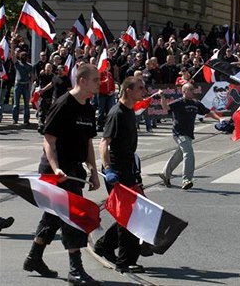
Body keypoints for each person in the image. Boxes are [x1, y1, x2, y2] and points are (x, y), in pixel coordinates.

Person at [23, 64, 101, 286]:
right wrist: (56, 168)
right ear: (82, 80)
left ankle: (34, 258)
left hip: (74, 170)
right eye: (95, 79)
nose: (99, 83)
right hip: (55, 171)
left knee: (54, 215)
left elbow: (88, 142)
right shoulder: (64, 104)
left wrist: (94, 172)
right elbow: (49, 139)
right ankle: (75, 270)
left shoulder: (88, 107)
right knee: (74, 216)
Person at [94, 76, 146, 273]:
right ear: (128, 91)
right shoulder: (117, 113)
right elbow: (103, 143)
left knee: (132, 214)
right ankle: (125, 262)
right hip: (116, 172)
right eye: (140, 88)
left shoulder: (130, 110)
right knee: (129, 217)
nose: (143, 91)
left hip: (128, 170)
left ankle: (104, 246)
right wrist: (108, 169)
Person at [158, 83, 223, 190]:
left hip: (188, 133)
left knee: (179, 155)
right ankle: (186, 180)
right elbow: (165, 107)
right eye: (190, 90)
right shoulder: (179, 102)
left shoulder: (196, 103)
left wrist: (219, 119)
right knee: (189, 153)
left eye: (193, 90)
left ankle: (165, 174)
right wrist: (162, 96)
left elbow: (208, 111)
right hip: (179, 133)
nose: (193, 92)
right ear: (184, 91)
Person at [11, 48, 34, 125]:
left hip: (26, 85)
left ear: (27, 57)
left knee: (26, 104)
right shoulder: (17, 63)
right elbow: (12, 56)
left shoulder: (29, 66)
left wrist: (30, 85)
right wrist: (12, 45)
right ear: (20, 56)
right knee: (16, 104)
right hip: (18, 85)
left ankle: (26, 120)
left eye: (25, 56)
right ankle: (15, 119)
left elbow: (32, 76)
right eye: (22, 56)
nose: (24, 57)